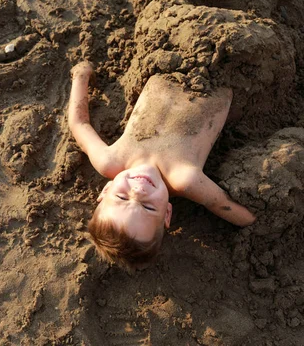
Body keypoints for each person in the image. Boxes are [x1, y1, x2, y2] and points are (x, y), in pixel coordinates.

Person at [68, 61, 256, 270]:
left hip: (169, 59)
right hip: (224, 69)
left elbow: (79, 125)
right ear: (167, 213)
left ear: (105, 190)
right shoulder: (185, 179)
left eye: (121, 197)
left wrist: (80, 75)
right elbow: (224, 206)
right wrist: (255, 221)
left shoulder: (110, 161)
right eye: (147, 206)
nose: (138, 192)